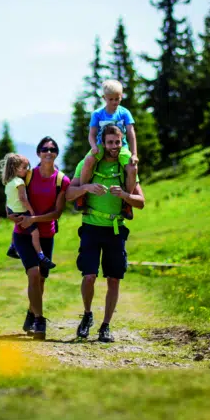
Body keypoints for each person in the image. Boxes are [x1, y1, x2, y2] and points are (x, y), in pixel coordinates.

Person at [65, 124, 145, 342]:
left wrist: (125, 196)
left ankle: (106, 326)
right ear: (102, 142)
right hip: (91, 227)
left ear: (122, 142)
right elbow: (69, 194)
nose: (114, 147)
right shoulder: (88, 163)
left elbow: (141, 202)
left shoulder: (125, 166)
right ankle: (88, 315)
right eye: (110, 142)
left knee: (114, 279)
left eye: (117, 142)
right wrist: (86, 188)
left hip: (116, 230)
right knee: (89, 276)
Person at [7, 136, 70, 340]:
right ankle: (40, 320)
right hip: (23, 234)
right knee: (33, 274)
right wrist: (11, 215)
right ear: (38, 153)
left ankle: (31, 313)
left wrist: (33, 218)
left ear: (56, 153)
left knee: (41, 280)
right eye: (44, 149)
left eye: (52, 149)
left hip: (46, 235)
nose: (48, 152)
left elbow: (57, 213)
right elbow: (11, 197)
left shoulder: (62, 180)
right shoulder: (28, 176)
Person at [78, 79, 138, 220]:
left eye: (117, 99)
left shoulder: (124, 113)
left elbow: (131, 133)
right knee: (88, 161)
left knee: (132, 168)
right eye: (111, 99)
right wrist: (93, 147)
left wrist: (134, 153)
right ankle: (82, 195)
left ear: (121, 96)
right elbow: (91, 134)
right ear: (104, 98)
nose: (114, 102)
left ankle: (127, 202)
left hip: (121, 146)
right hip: (101, 145)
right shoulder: (97, 114)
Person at [0, 152, 55, 273]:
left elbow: (8, 200)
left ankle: (12, 247)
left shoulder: (8, 182)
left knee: (17, 227)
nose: (27, 170)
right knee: (35, 233)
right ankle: (40, 255)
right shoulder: (20, 182)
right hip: (22, 211)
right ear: (15, 168)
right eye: (24, 168)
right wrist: (31, 211)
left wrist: (8, 213)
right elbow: (23, 199)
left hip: (12, 210)